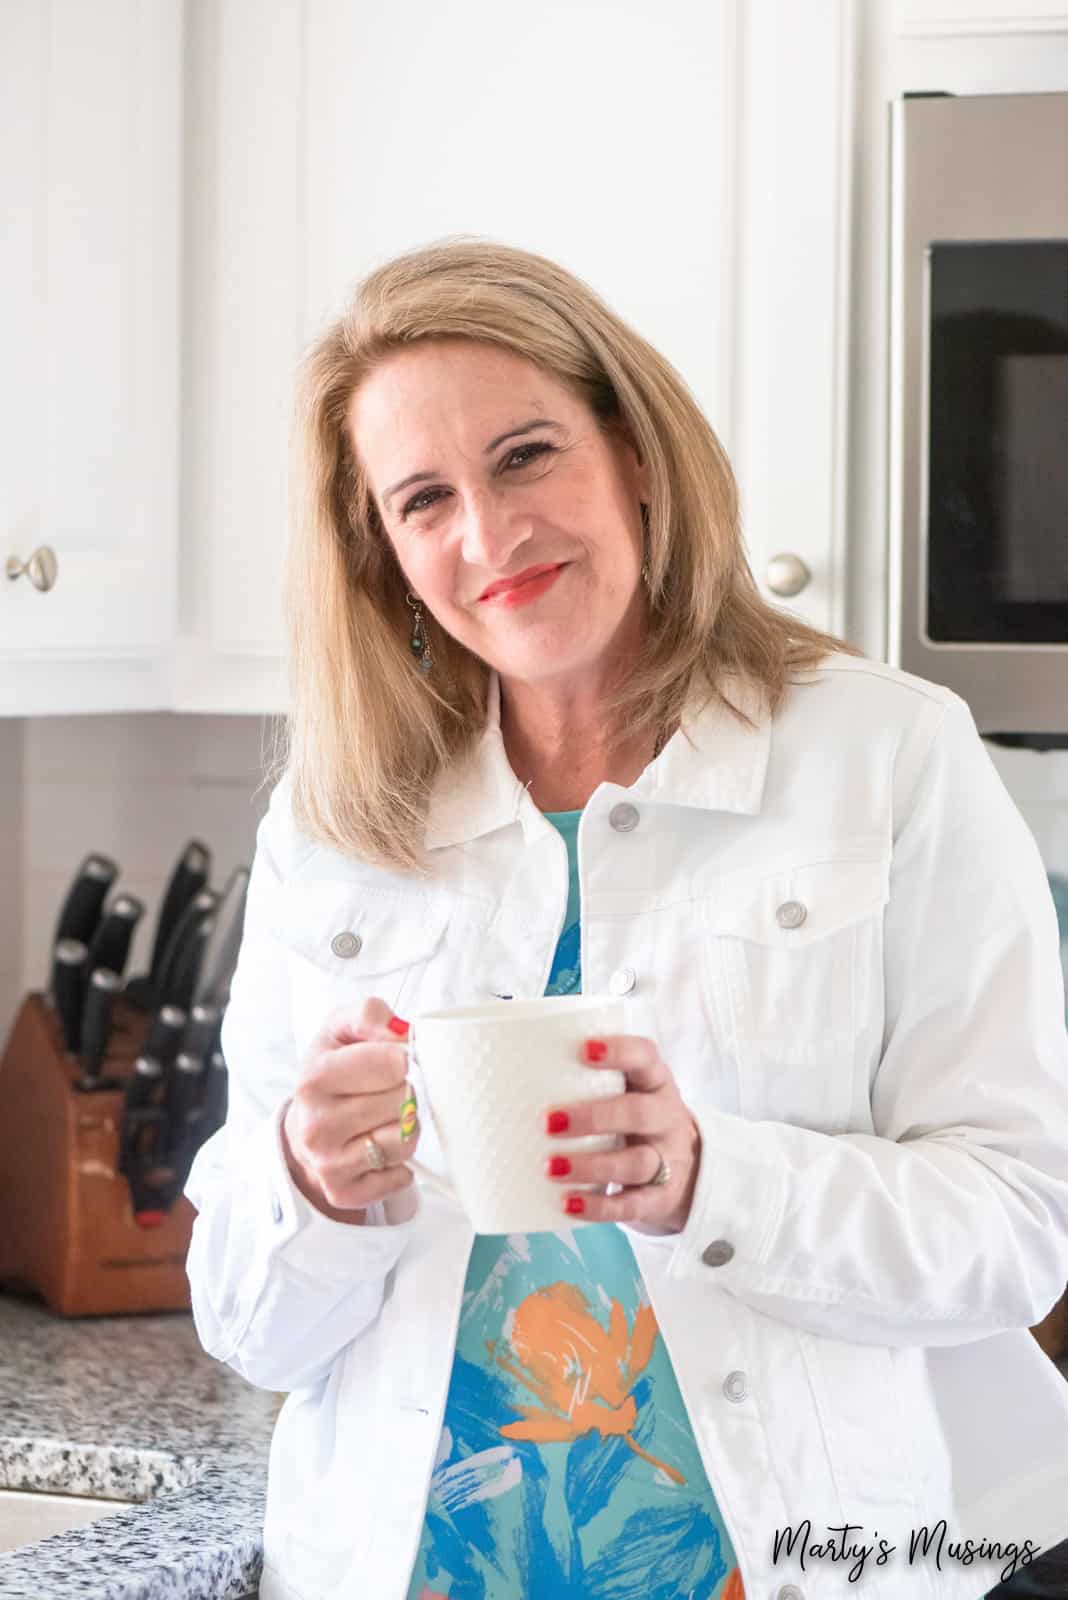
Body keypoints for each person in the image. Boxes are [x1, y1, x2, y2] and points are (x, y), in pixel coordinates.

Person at [183, 237, 1068, 1600]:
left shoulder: (888, 756)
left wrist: (711, 1179)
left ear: (635, 453)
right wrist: (307, 1186)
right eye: (426, 498)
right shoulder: (341, 812)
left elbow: (1014, 1233)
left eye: (526, 456)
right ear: (385, 554)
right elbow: (249, 1329)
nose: (490, 536)